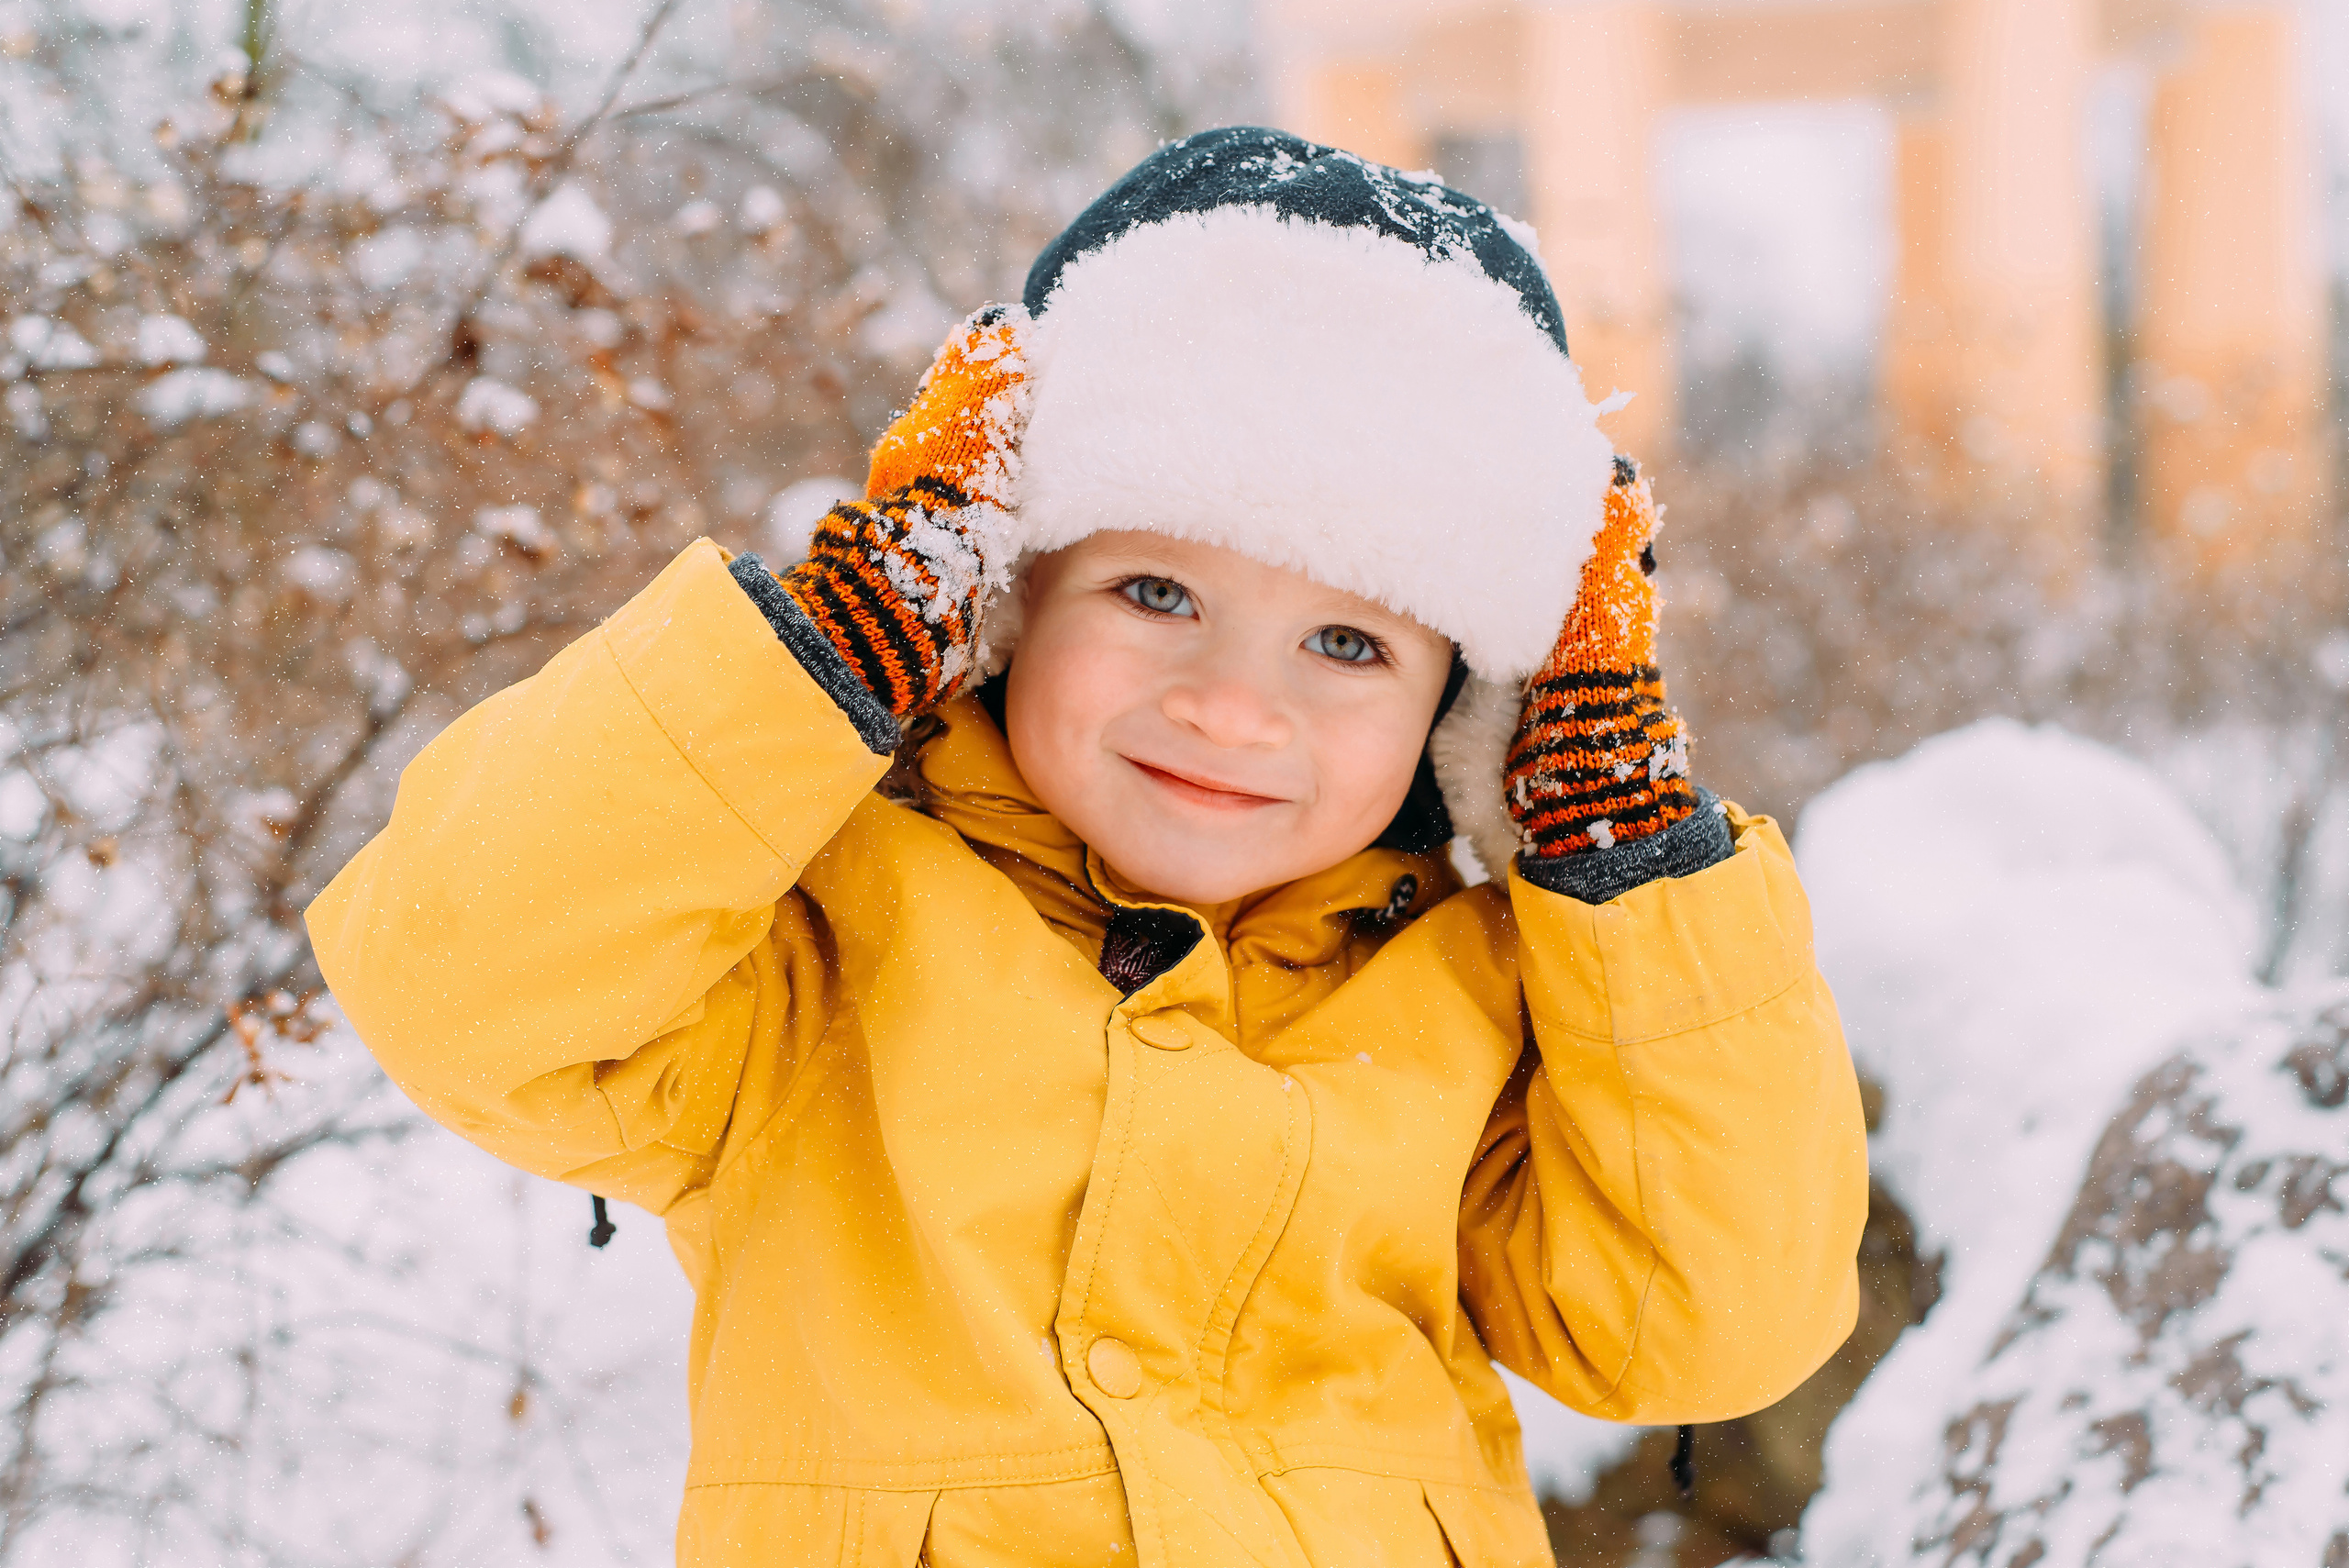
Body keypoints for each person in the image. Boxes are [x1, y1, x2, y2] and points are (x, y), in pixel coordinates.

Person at [307, 128, 1868, 1568]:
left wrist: (1624, 852)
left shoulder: (1471, 997)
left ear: (1472, 706)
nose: (1235, 708)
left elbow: (1707, 1319)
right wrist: (825, 652)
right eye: (1157, 594)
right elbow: (466, 982)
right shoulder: (814, 936)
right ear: (1007, 590)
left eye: (1346, 641)